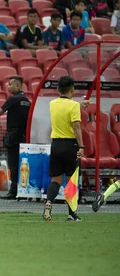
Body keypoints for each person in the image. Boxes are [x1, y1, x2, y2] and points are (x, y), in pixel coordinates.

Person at [43, 76, 85, 221]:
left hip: (56, 145)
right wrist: (81, 146)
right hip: (70, 145)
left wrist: (79, 104)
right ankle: (71, 213)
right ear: (72, 89)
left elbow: (63, 105)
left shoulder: (52, 104)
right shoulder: (74, 106)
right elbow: (76, 127)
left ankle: (49, 202)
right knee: (71, 181)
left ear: (57, 89)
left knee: (56, 180)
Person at [0, 76, 31, 200]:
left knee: (13, 165)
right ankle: (21, 190)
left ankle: (13, 191)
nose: (8, 86)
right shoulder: (27, 101)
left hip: (13, 135)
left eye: (10, 84)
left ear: (17, 86)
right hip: (24, 136)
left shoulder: (13, 99)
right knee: (22, 164)